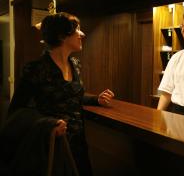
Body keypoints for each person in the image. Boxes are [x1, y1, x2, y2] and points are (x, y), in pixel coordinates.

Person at [3, 12, 114, 175]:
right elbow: (17, 111)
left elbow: (70, 96)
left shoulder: (75, 64)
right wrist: (48, 124)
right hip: (50, 145)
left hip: (77, 143)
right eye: (77, 29)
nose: (82, 34)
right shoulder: (36, 69)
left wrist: (97, 99)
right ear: (61, 36)